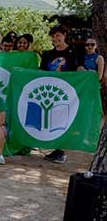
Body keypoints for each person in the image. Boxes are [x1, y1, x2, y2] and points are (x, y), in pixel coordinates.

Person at [40, 24, 77, 164]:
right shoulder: (48, 54)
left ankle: (61, 151)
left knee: (64, 120)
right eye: (53, 36)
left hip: (68, 93)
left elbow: (78, 68)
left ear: (64, 35)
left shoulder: (73, 52)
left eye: (58, 35)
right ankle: (57, 149)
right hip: (52, 92)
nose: (56, 38)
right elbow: (41, 72)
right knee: (53, 120)